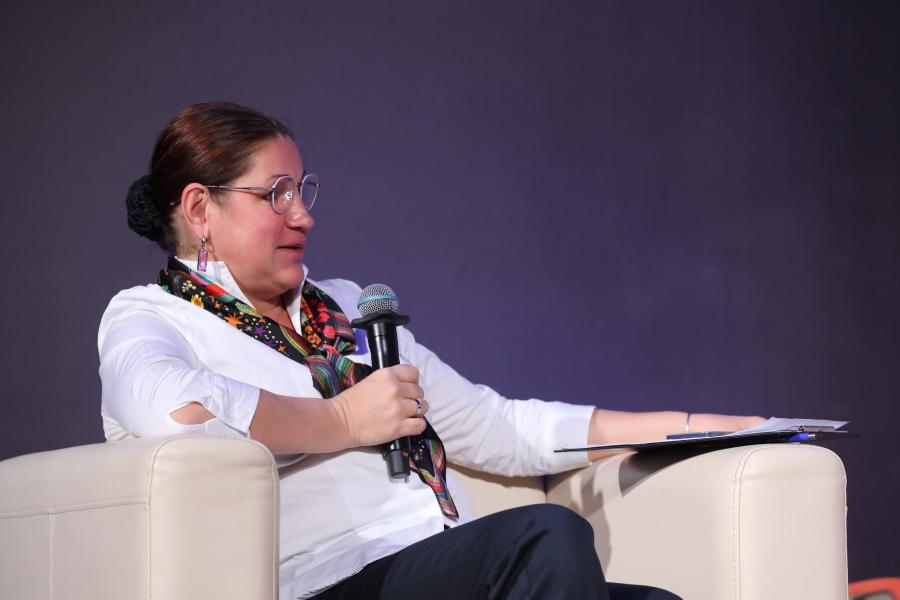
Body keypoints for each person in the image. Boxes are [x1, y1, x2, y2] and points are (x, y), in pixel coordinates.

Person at [100, 101, 762, 600]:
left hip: (439, 563)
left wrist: (692, 428)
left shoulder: (344, 308)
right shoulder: (150, 316)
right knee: (545, 536)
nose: (302, 215)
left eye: (302, 191)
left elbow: (496, 427)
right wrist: (343, 420)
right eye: (276, 194)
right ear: (200, 209)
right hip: (327, 579)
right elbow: (174, 415)